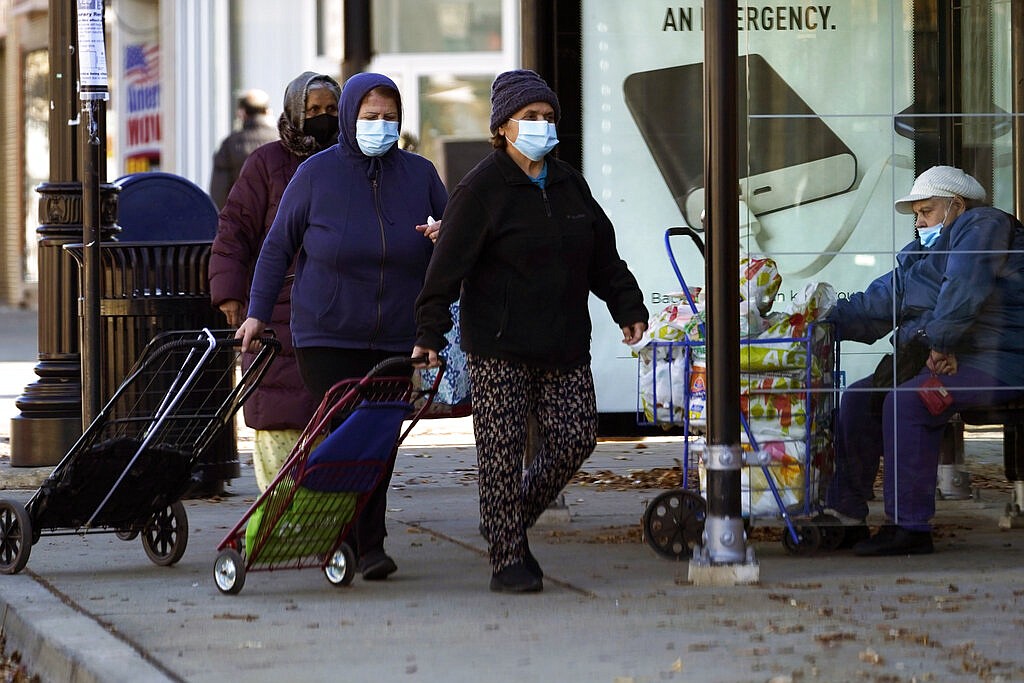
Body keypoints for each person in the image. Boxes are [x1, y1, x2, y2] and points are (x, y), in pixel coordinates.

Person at [412, 69, 648, 593]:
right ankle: (508, 559)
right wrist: (429, 333)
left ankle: (505, 521)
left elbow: (603, 257)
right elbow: (445, 270)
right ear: (503, 127)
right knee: (500, 451)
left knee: (576, 437)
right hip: (499, 346)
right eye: (531, 118)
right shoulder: (480, 190)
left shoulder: (569, 184)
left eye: (548, 118)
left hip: (563, 341)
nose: (543, 126)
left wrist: (627, 306)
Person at [236, 72, 447, 580]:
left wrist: (444, 235)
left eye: (389, 117)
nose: (380, 126)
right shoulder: (315, 175)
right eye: (370, 117)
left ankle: (365, 540)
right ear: (352, 119)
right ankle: (350, 537)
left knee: (380, 437)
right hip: (327, 335)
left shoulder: (419, 175)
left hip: (397, 333)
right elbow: (276, 247)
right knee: (348, 432)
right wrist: (256, 313)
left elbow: (459, 240)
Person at [827, 165, 1024, 556]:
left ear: (956, 205)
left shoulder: (982, 224)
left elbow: (966, 285)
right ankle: (845, 517)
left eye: (926, 211)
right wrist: (822, 322)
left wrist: (941, 342)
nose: (919, 222)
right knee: (857, 398)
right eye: (917, 214)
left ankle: (909, 526)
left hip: (1001, 360)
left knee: (909, 402)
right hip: (959, 358)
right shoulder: (925, 252)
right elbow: (885, 299)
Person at [209, 72, 342, 492]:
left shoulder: (352, 162)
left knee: (331, 415)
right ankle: (278, 518)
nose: (322, 117)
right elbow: (234, 229)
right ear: (293, 113)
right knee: (279, 415)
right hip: (276, 306)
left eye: (331, 110)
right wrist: (230, 293)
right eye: (314, 110)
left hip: (336, 306)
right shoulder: (266, 162)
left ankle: (326, 517)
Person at [210, 89, 280, 209]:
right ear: (268, 111)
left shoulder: (229, 144)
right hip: (277, 219)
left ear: (242, 113)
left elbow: (219, 192)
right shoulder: (281, 140)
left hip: (243, 218)